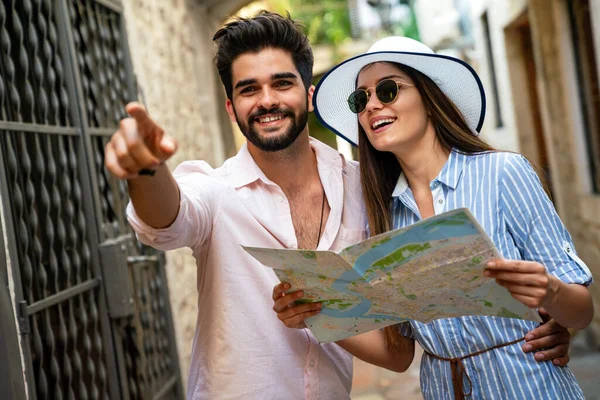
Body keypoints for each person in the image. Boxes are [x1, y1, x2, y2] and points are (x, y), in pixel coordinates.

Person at [103, 10, 575, 399]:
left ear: (308, 96)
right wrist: (145, 170)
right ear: (231, 107)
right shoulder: (215, 192)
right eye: (248, 90)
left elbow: (397, 350)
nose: (266, 100)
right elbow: (166, 219)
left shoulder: (368, 194)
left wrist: (550, 315)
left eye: (281, 83)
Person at [272, 36, 593, 399]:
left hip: (531, 386)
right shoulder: (383, 214)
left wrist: (550, 291)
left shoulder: (504, 173)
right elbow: (398, 354)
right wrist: (316, 314)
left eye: (388, 90)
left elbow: (581, 314)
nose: (372, 105)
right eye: (360, 99)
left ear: (428, 95)